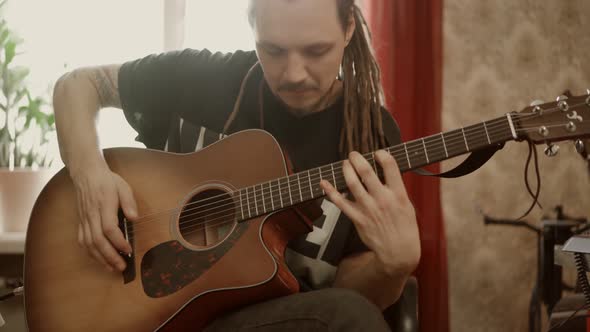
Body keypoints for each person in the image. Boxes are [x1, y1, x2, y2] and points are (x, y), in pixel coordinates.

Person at [53, 0, 421, 330]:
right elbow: (78, 84)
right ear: (253, 28)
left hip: (266, 320)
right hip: (143, 309)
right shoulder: (207, 79)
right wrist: (89, 174)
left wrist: (391, 267)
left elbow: (350, 299)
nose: (293, 74)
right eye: (273, 50)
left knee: (349, 315)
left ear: (348, 29)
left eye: (316, 50)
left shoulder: (372, 136)